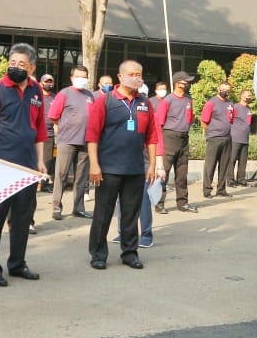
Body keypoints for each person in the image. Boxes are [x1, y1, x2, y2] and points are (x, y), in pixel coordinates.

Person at [0, 43, 48, 286]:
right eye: (12, 63)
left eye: (21, 64)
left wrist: (40, 161)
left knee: (22, 218)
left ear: (31, 67)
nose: (15, 68)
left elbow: (39, 129)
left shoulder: (36, 90)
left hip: (27, 166)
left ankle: (17, 264)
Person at [85, 59, 163, 270]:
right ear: (120, 77)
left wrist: (153, 164)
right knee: (103, 213)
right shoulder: (105, 101)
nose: (136, 78)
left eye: (139, 74)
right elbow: (92, 135)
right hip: (108, 169)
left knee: (131, 214)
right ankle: (98, 254)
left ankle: (130, 253)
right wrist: (94, 165)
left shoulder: (145, 103)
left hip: (135, 169)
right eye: (131, 74)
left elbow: (152, 136)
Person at [48, 65, 95, 220]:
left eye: (84, 76)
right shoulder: (64, 93)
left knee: (81, 177)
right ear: (72, 78)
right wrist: (65, 128)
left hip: (86, 142)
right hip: (67, 141)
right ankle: (56, 208)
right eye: (78, 76)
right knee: (60, 175)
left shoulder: (90, 95)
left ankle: (78, 208)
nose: (82, 79)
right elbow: (53, 115)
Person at [155, 71, 198, 214]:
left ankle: (183, 203)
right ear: (177, 83)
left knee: (182, 172)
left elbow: (189, 118)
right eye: (185, 82)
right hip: (169, 137)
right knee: (164, 173)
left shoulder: (188, 100)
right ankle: (159, 203)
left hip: (184, 138)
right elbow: (159, 123)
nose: (188, 84)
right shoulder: (167, 100)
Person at [200, 82, 235, 198]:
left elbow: (231, 119)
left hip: (227, 138)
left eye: (228, 89)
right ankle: (207, 190)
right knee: (210, 166)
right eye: (223, 89)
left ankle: (221, 190)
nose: (225, 91)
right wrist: (211, 132)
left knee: (224, 165)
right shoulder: (211, 103)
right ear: (218, 89)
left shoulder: (230, 103)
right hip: (214, 138)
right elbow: (204, 121)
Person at [229, 89, 254, 187]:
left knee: (243, 160)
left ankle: (241, 179)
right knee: (232, 159)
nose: (250, 97)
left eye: (250, 96)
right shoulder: (235, 107)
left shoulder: (248, 108)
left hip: (245, 138)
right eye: (248, 95)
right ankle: (230, 179)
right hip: (235, 137)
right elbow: (229, 119)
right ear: (242, 96)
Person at [39, 74, 56, 197]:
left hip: (49, 134)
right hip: (36, 133)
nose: (49, 84)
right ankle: (34, 183)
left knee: (47, 160)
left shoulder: (55, 98)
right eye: (47, 82)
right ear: (41, 83)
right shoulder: (36, 96)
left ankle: (44, 184)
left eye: (51, 82)